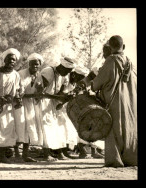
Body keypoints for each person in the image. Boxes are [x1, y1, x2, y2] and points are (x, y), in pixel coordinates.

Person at [79, 35, 137, 167]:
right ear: (124, 47)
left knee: (114, 129)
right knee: (128, 128)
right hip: (129, 102)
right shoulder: (130, 62)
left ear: (110, 48)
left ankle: (114, 160)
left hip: (113, 102)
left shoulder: (111, 60)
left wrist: (92, 85)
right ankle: (130, 158)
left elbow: (97, 83)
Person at [35, 57, 76, 161]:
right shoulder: (48, 71)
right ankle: (46, 154)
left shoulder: (65, 76)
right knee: (45, 127)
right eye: (67, 71)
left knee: (56, 128)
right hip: (41, 102)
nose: (68, 73)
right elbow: (40, 93)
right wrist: (58, 97)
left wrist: (67, 96)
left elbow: (61, 93)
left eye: (70, 71)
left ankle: (59, 153)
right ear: (62, 67)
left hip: (52, 104)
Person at [13, 53, 44, 162]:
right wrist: (33, 95)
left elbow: (38, 93)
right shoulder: (20, 74)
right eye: (32, 64)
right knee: (19, 126)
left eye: (37, 64)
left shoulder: (39, 76)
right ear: (29, 64)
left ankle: (25, 154)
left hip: (31, 105)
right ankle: (16, 153)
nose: (35, 66)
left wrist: (39, 93)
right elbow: (17, 93)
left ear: (40, 65)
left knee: (30, 128)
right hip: (20, 104)